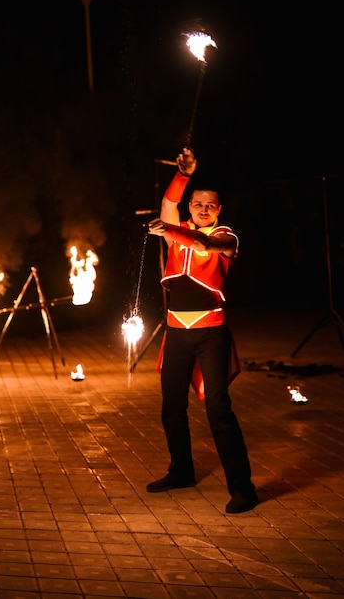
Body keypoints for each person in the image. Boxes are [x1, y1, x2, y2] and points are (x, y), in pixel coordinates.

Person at [147, 146, 258, 514]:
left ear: (219, 209)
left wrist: (175, 232)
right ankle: (181, 471)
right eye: (197, 204)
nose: (203, 209)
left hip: (211, 332)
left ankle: (243, 488)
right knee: (171, 408)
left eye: (210, 205)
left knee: (218, 410)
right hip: (177, 332)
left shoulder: (227, 237)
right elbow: (167, 206)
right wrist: (183, 176)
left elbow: (210, 245)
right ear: (190, 206)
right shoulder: (177, 229)